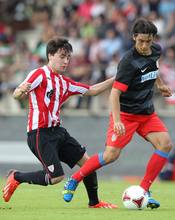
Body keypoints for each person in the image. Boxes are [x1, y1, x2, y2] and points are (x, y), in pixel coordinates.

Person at [62, 18, 173, 209]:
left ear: (153, 39)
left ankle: (144, 190)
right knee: (110, 155)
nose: (145, 46)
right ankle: (74, 179)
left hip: (146, 114)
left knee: (166, 144)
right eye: (141, 41)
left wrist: (161, 85)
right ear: (134, 38)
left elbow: (154, 68)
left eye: (148, 41)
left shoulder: (156, 51)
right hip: (126, 114)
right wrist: (118, 120)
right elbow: (114, 94)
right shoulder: (128, 62)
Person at [2, 37, 117, 208]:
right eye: (62, 56)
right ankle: (17, 177)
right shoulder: (39, 74)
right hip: (40, 133)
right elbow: (17, 93)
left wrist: (117, 78)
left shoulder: (65, 83)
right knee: (56, 178)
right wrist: (20, 91)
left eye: (68, 57)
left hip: (58, 132)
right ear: (50, 55)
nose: (66, 61)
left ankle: (94, 203)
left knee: (89, 164)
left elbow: (92, 90)